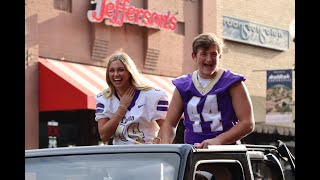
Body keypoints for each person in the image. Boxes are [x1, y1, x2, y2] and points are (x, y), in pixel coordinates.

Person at [157, 32, 255, 148]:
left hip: (227, 154)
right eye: (203, 54)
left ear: (220, 56)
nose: (209, 59)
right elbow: (169, 123)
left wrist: (219, 140)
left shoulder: (233, 83)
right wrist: (166, 147)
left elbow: (247, 123)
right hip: (193, 154)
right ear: (194, 56)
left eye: (213, 54)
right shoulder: (183, 85)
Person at [95, 49, 169, 145]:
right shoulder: (104, 98)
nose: (116, 74)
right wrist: (122, 108)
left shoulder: (153, 96)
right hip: (120, 156)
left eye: (121, 70)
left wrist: (157, 143)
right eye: (112, 70)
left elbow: (167, 127)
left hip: (147, 155)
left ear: (130, 72)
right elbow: (104, 135)